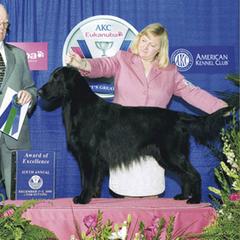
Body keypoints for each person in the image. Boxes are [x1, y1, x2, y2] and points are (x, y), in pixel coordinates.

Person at [65, 23, 228, 198]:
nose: (146, 47)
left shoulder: (170, 71)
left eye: (152, 45)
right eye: (144, 41)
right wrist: (82, 63)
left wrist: (220, 108)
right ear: (139, 39)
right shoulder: (122, 59)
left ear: (160, 49)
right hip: (122, 139)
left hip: (155, 135)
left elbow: (192, 92)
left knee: (152, 196)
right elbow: (102, 65)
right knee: (127, 198)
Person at [0, 4, 37, 199]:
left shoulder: (19, 55)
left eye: (5, 24)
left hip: (12, 135)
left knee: (18, 205)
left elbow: (31, 88)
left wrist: (29, 95)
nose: (2, 28)